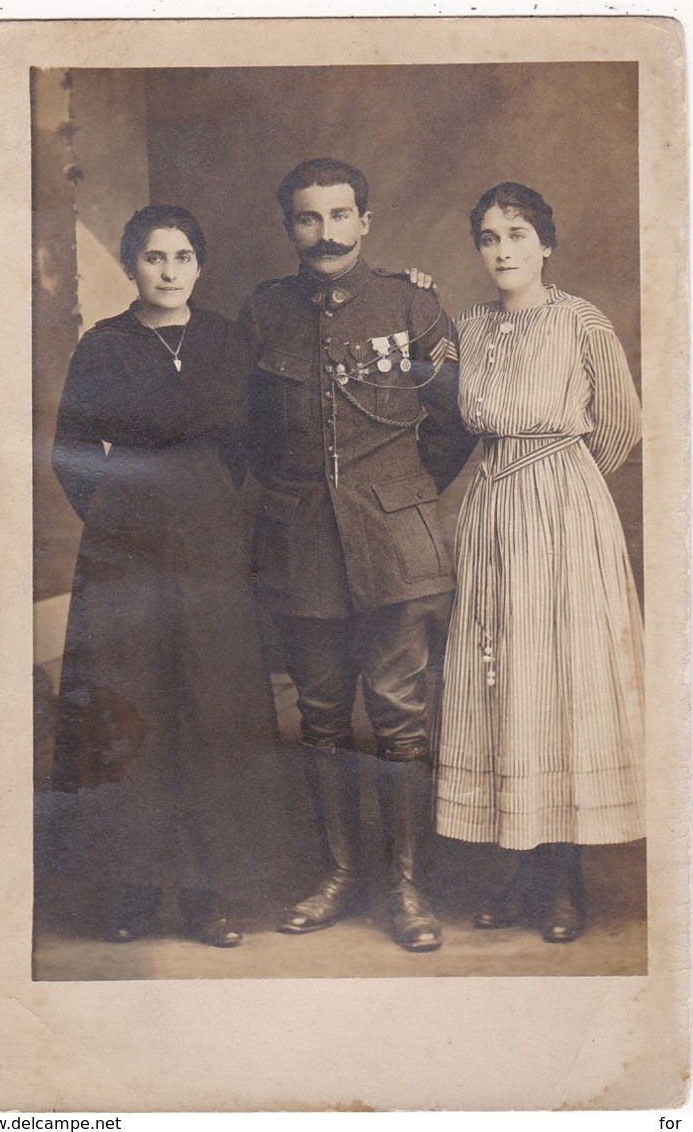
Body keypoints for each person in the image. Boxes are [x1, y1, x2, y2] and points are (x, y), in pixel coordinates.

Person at [238, 157, 476, 952]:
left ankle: (406, 887)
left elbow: (451, 421)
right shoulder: (264, 312)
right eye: (308, 218)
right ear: (289, 227)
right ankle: (338, 876)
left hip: (397, 548)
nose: (325, 233)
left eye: (340, 215)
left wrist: (396, 496)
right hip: (299, 544)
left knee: (402, 720)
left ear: (364, 222)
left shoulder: (411, 302)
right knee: (321, 719)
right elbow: (252, 433)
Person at [51, 204, 287, 947]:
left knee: (211, 708)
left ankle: (206, 893)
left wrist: (209, 499)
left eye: (182, 257)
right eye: (154, 257)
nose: (169, 270)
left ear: (199, 266)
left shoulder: (225, 341)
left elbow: (253, 441)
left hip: (212, 541)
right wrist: (122, 515)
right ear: (130, 266)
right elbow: (70, 452)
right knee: (132, 701)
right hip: (126, 545)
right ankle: (130, 888)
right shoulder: (104, 345)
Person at [435, 182, 645, 943]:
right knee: (500, 688)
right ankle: (515, 873)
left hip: (561, 510)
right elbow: (428, 386)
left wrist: (564, 491)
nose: (502, 250)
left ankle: (562, 883)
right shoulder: (465, 327)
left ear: (544, 243)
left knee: (558, 684)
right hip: (489, 509)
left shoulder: (579, 321)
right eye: (488, 237)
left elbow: (621, 424)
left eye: (517, 234)